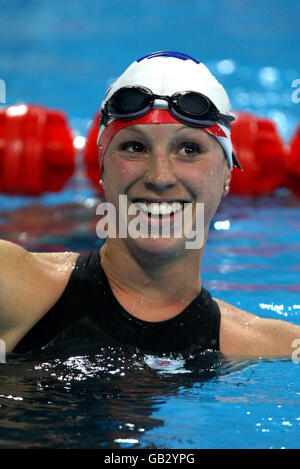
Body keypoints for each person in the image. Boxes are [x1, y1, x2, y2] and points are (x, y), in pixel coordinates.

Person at [0, 51, 299, 358]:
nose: (160, 176)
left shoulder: (264, 347)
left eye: (189, 149)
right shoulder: (18, 287)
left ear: (226, 174)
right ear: (101, 168)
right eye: (135, 147)